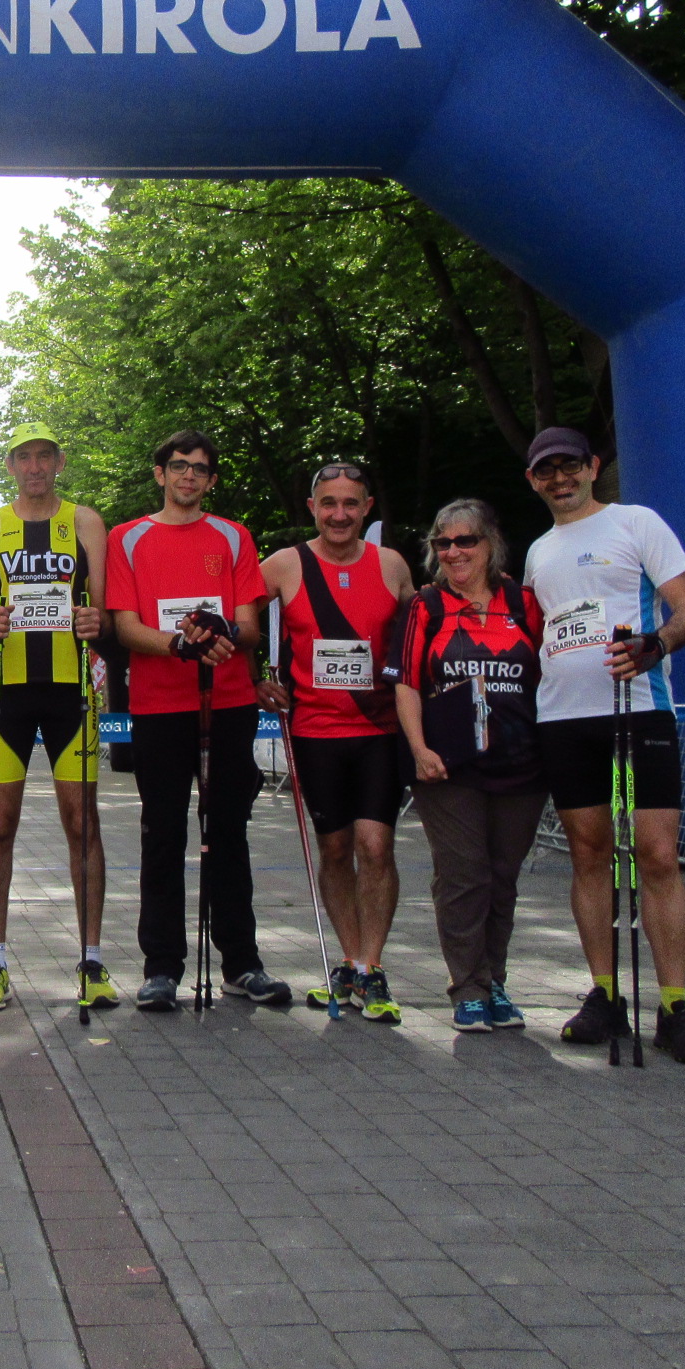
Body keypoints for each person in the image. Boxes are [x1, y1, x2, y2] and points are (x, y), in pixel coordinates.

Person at [521, 427, 685, 1064]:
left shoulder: (637, 522)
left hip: (638, 710)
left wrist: (656, 644)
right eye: (546, 471)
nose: (559, 479)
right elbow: (535, 634)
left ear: (592, 467)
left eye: (570, 466)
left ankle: (675, 1004)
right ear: (533, 480)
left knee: (658, 854)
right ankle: (604, 993)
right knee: (588, 853)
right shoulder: (538, 552)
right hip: (563, 718)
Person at [106, 429, 287, 1011]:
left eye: (201, 469)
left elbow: (250, 625)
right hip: (159, 706)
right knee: (162, 832)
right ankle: (161, 967)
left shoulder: (233, 537)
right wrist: (177, 645)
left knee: (227, 832)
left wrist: (222, 635)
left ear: (210, 480)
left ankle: (242, 963)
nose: (189, 476)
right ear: (160, 473)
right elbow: (124, 626)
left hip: (227, 701)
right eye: (179, 466)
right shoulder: (126, 538)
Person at [0, 423, 117, 1014]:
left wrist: (95, 622)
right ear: (9, 466)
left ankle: (93, 961)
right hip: (8, 698)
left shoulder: (86, 521)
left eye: (44, 456)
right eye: (23, 457)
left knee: (83, 827)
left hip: (72, 695)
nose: (34, 467)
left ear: (60, 461)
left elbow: (104, 610)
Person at [257, 461, 414, 1023]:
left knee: (377, 846)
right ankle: (348, 958)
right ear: (313, 508)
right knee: (336, 849)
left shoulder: (392, 565)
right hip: (314, 731)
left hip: (378, 729)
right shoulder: (284, 564)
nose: (340, 514)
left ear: (367, 506)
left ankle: (372, 967)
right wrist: (258, 675)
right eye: (329, 503)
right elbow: (238, 615)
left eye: (351, 503)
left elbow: (416, 642)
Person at [395, 500, 546, 1032]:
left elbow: (551, 671)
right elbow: (408, 682)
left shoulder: (524, 603)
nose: (454, 552)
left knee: (502, 878)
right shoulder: (426, 606)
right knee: (464, 875)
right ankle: (468, 987)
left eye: (466, 541)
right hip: (449, 767)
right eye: (443, 543)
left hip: (522, 765)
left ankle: (495, 980)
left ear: (491, 542)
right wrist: (419, 749)